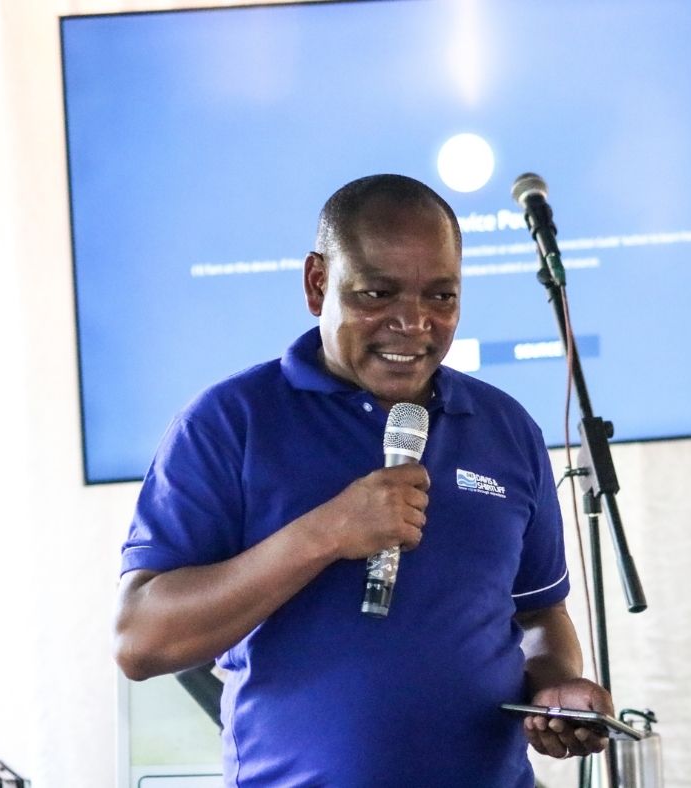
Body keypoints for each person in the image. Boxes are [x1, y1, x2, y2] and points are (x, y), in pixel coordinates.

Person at [114, 174, 613, 786]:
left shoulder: (505, 428)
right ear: (317, 283)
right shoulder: (229, 423)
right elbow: (141, 642)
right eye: (378, 293)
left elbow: (539, 613)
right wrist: (326, 532)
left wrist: (556, 690)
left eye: (441, 297)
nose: (414, 323)